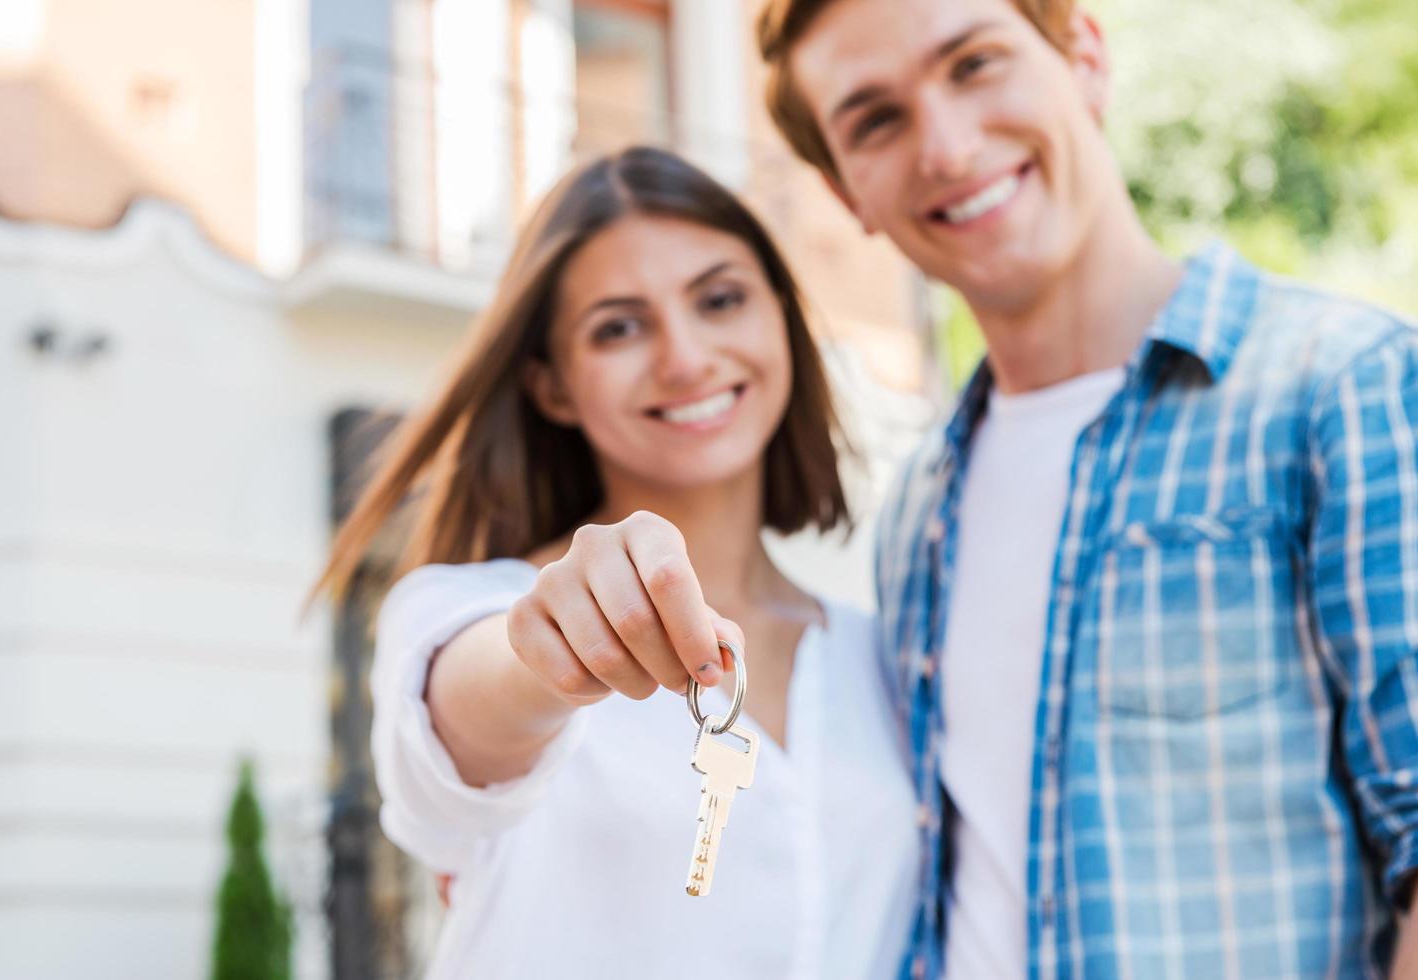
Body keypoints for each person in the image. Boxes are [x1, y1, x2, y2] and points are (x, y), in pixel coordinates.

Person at [746, 0, 1418, 976]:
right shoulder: (916, 511)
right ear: (843, 189)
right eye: (874, 119)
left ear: (1084, 59)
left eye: (973, 63)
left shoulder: (1343, 386)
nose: (943, 143)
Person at [311, 146, 920, 979]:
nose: (684, 356)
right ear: (553, 385)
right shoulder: (466, 612)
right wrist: (548, 656)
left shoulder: (878, 656)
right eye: (619, 327)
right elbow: (465, 721)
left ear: (782, 317)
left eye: (720, 299)